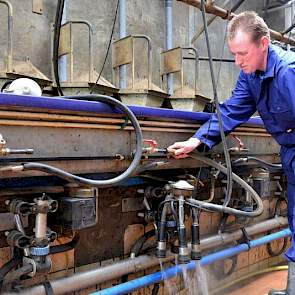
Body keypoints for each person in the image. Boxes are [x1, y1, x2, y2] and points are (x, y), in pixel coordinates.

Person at [168, 11, 295, 295]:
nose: (238, 61)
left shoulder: (288, 72)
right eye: (234, 54)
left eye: (242, 53)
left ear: (263, 44)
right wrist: (197, 140)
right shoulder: (252, 76)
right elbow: (231, 110)